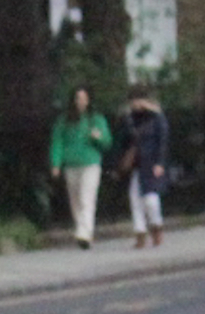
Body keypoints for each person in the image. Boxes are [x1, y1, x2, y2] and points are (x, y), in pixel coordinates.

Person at [48, 86, 112, 248]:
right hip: (71, 164)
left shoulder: (96, 119)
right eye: (78, 98)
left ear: (89, 100)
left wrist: (98, 138)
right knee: (75, 200)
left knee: (86, 198)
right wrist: (56, 163)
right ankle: (83, 231)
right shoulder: (64, 120)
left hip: (90, 163)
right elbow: (58, 142)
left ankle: (84, 232)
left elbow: (107, 142)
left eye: (84, 98)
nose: (81, 101)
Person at [115, 89, 169, 248]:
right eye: (133, 101)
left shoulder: (157, 118)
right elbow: (123, 140)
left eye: (139, 100)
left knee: (151, 199)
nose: (136, 104)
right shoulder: (129, 119)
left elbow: (163, 140)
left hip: (151, 162)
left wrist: (160, 163)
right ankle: (140, 232)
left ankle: (156, 226)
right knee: (135, 200)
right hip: (136, 164)